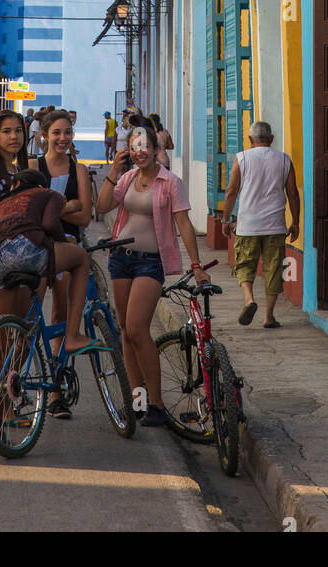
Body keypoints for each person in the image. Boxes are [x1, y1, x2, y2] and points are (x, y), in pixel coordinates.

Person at [97, 121, 210, 428]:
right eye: (133, 148)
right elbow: (103, 205)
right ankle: (138, 400)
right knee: (124, 330)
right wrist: (113, 171)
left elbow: (184, 224)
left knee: (136, 329)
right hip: (120, 260)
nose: (139, 153)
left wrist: (197, 267)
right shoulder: (128, 178)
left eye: (144, 146)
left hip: (151, 263)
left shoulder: (170, 182)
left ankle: (157, 404)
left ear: (156, 147)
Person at [0, 169, 103, 349]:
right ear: (41, 185)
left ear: (16, 184)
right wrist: (64, 245)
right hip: (23, 251)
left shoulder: (2, 202)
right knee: (80, 258)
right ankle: (72, 336)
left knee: (1, 340)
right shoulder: (48, 193)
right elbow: (49, 223)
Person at [35, 108, 92, 417]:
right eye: (56, 133)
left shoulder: (79, 170)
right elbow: (34, 213)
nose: (62, 138)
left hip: (69, 246)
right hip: (40, 244)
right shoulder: (33, 166)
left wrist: (54, 209)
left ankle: (55, 389)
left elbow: (84, 216)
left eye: (67, 133)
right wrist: (68, 205)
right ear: (45, 135)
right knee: (32, 316)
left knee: (59, 312)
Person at [221, 121, 300, 329]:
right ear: (272, 139)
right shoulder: (284, 160)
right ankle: (269, 317)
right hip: (275, 225)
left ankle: (249, 299)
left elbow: (231, 191)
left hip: (248, 225)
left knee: (245, 265)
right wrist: (296, 222)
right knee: (274, 269)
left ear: (250, 140)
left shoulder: (242, 158)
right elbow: (292, 194)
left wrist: (225, 219)